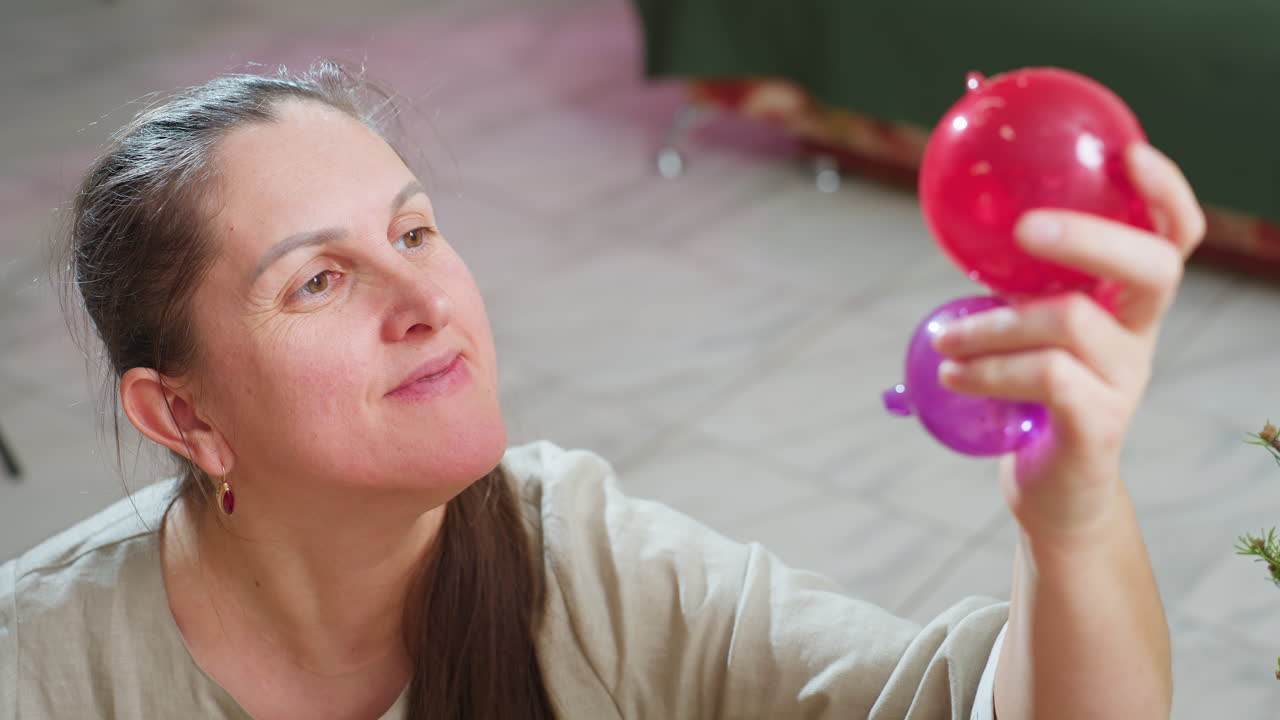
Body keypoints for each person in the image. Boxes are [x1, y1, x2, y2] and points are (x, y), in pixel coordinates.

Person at [0, 61, 1204, 720]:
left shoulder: (572, 558)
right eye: (317, 280)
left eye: (414, 233)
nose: (423, 302)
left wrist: (1073, 521)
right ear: (184, 416)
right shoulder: (38, 674)